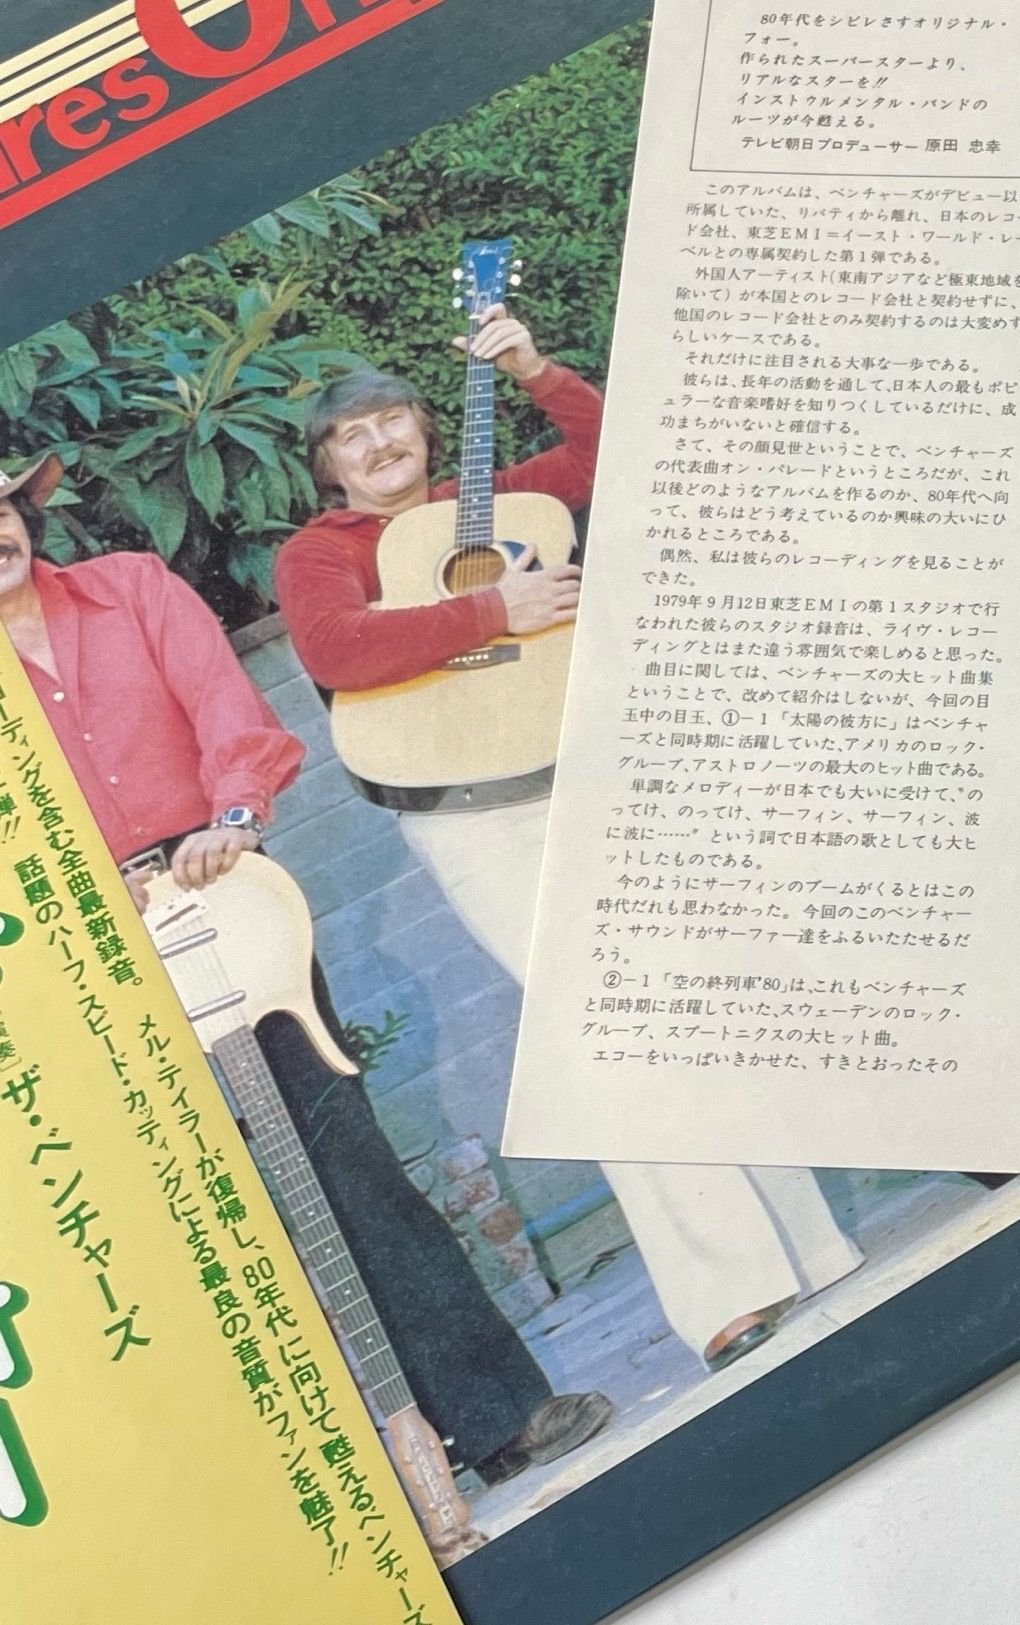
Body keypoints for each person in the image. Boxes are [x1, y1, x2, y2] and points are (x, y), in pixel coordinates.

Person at [0, 453, 614, 1488]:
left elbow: (227, 709)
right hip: (93, 952)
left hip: (225, 893)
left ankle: (501, 1417)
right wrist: (85, 897)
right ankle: (324, 1489)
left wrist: (235, 816)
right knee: (191, 1212)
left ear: (24, 510)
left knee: (344, 1154)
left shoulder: (131, 585)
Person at [273, 313, 864, 1374]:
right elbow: (336, 649)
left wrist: (534, 369)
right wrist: (495, 610)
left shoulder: (499, 505)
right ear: (329, 469)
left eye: (393, 418)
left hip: (585, 780)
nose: (379, 442)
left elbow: (605, 451)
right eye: (351, 436)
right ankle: (724, 1294)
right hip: (469, 811)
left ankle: (805, 1249)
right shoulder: (321, 553)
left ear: (426, 426)